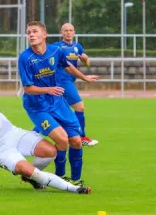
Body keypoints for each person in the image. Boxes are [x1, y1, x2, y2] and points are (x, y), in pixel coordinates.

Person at [0, 75, 91, 194]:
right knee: (30, 171)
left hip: (14, 134)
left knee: (51, 151)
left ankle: (30, 177)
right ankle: (75, 189)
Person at [18, 21, 99, 186]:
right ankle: (60, 177)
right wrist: (48, 89)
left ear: (44, 35)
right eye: (29, 32)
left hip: (56, 101)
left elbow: (67, 66)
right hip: (37, 106)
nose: (31, 35)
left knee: (76, 140)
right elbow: (27, 88)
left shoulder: (55, 50)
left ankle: (76, 179)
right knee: (62, 139)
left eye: (34, 31)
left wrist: (84, 77)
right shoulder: (25, 58)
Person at [52, 23, 98, 146]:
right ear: (61, 33)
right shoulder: (57, 47)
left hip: (69, 80)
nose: (68, 32)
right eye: (66, 30)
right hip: (62, 81)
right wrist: (84, 78)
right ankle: (81, 137)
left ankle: (34, 133)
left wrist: (85, 59)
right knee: (79, 107)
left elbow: (87, 63)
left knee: (56, 110)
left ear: (74, 32)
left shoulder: (78, 46)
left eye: (70, 30)